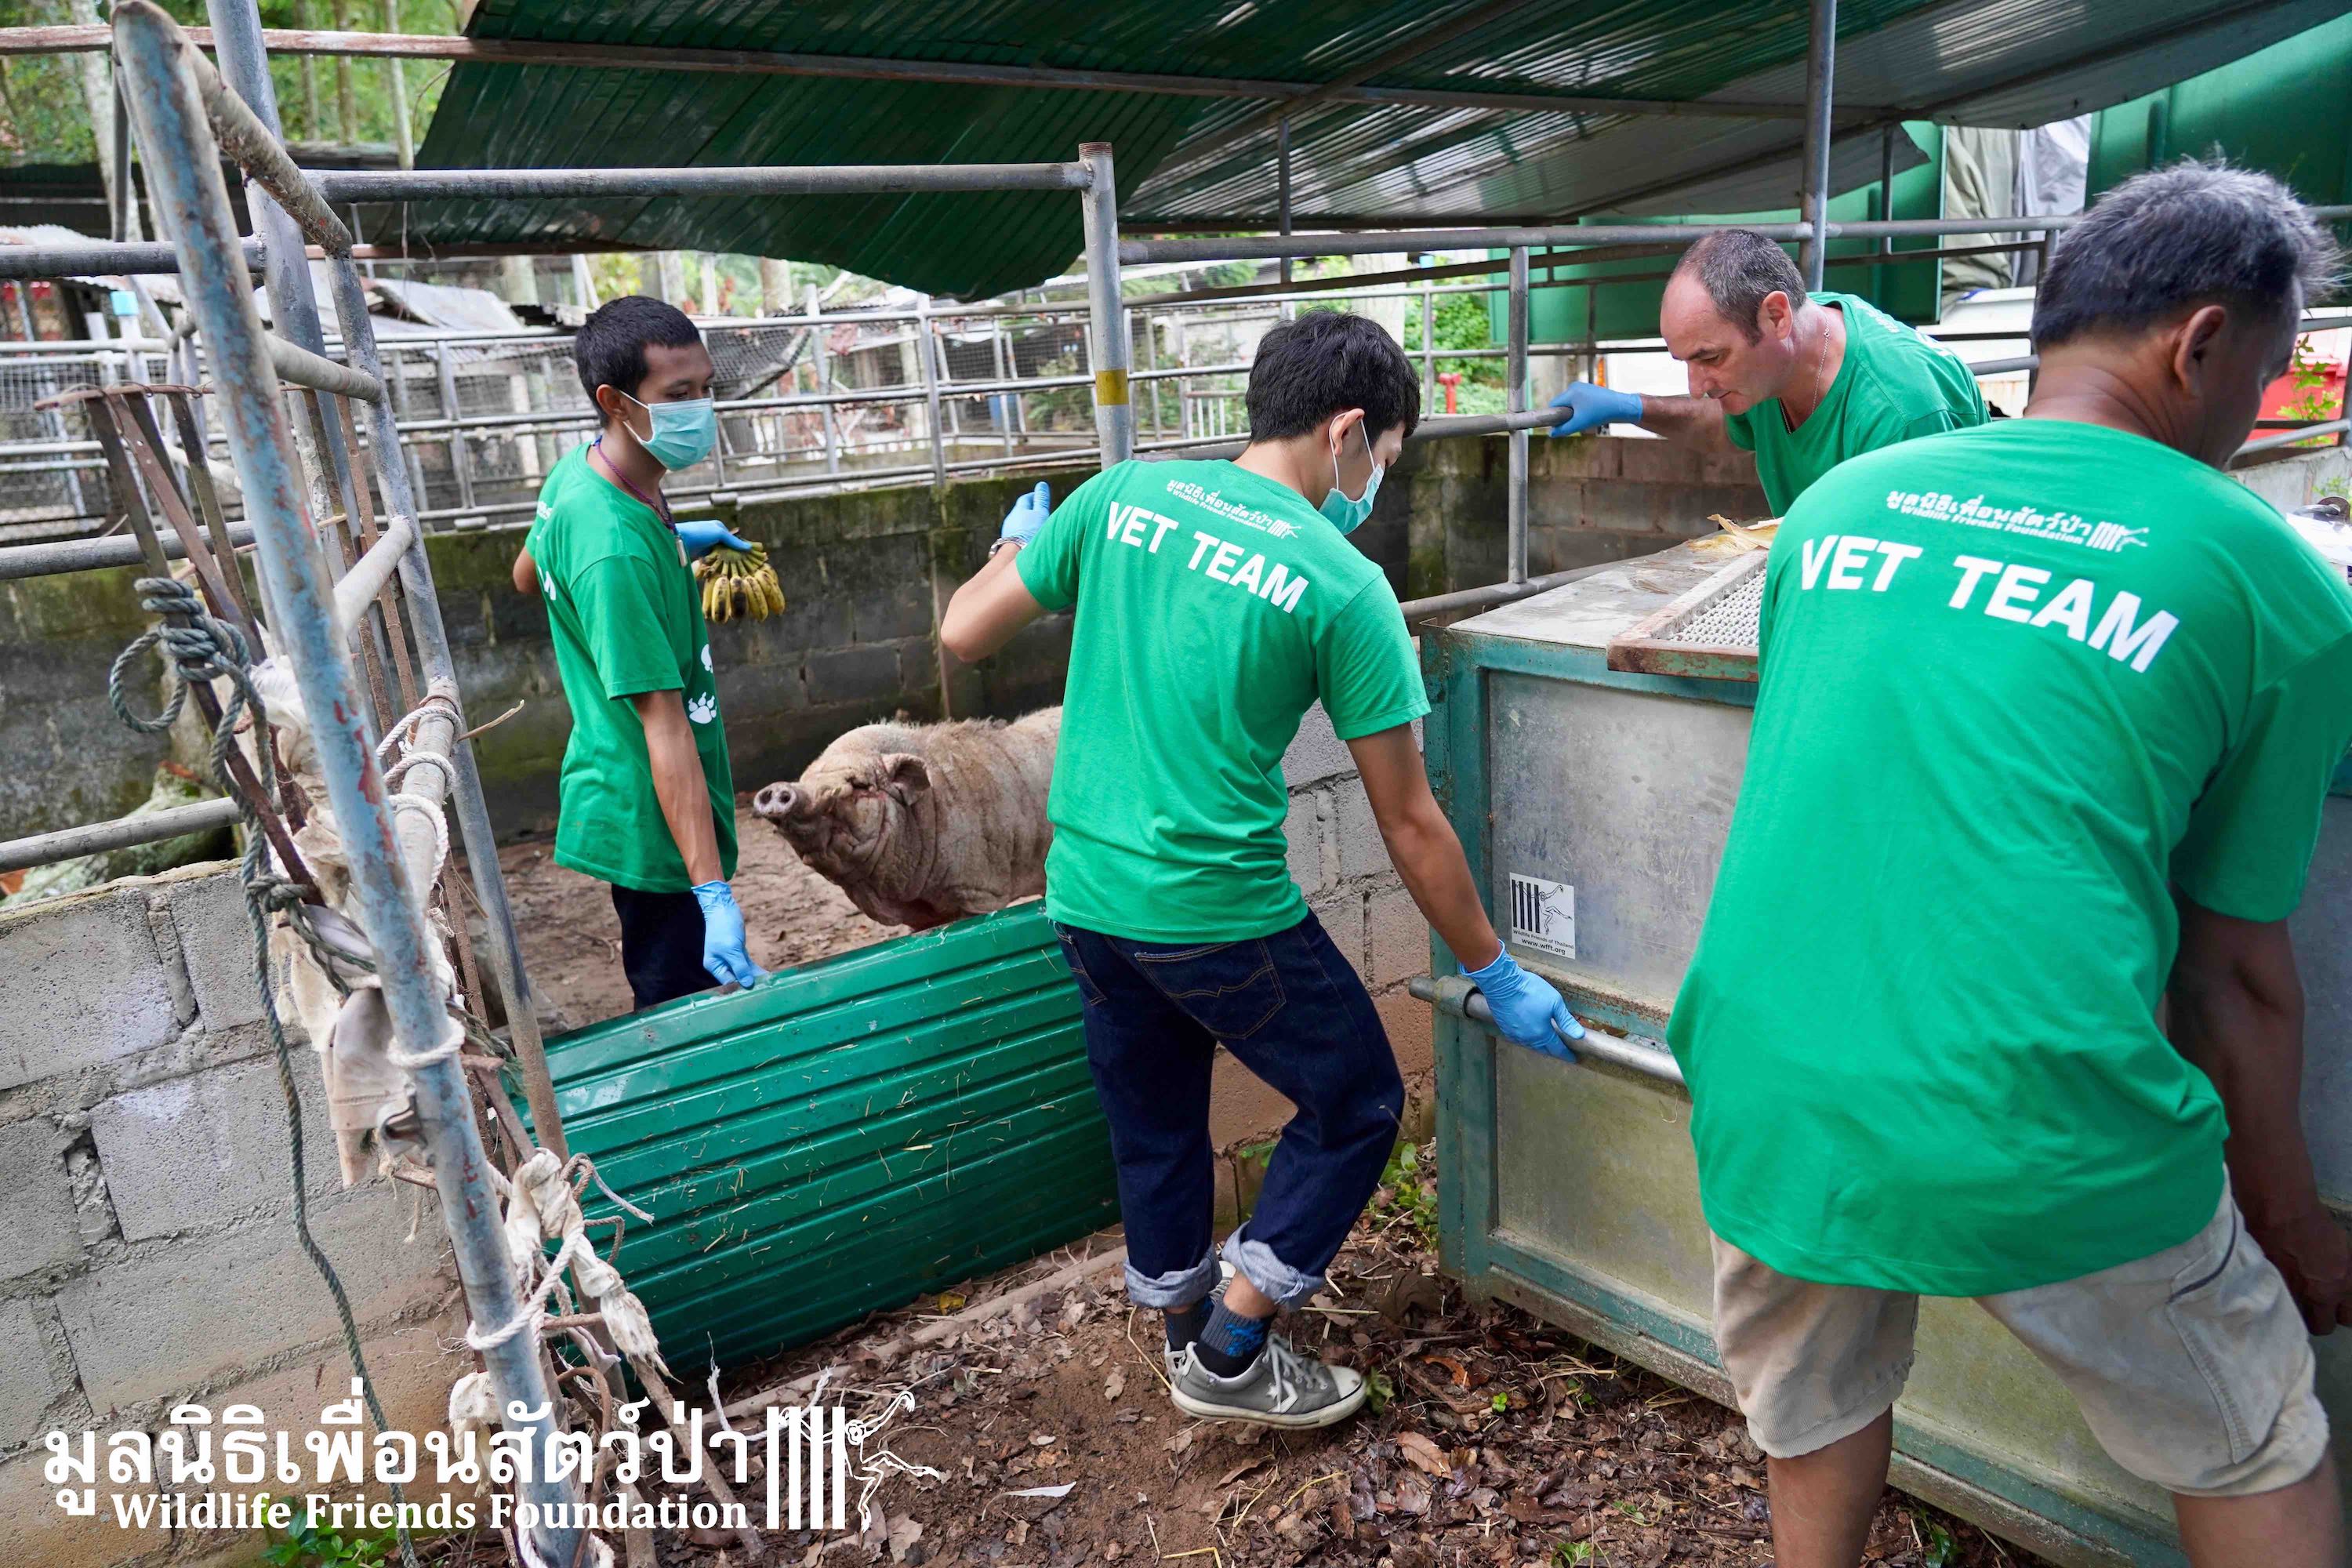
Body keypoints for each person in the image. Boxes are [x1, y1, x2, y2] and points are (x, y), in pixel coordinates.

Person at [1669, 163, 2352, 1567]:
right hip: (2040, 1099)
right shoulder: (2269, 576)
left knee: (1814, 1401)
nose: (2262, 402)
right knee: (2252, 1437)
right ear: (2202, 345)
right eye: (2270, 369)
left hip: (1768, 1081)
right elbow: (2229, 973)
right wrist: (2291, 1220)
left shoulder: (1839, 510)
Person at [938, 310, 1580, 1429]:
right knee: (1359, 1099)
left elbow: (963, 633)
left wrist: (1012, 549)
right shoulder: (1342, 584)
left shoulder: (1119, 496)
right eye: (1385, 458)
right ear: (1346, 430)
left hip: (1087, 897)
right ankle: (1232, 1350)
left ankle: (1183, 1330)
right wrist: (1494, 966)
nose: (1376, 484)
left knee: (1156, 1121)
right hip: (1217, 911)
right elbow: (1410, 820)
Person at [517, 295, 767, 1010]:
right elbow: (665, 726)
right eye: (677, 395)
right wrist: (711, 891)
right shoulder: (613, 549)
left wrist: (670, 540)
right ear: (615, 402)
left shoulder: (581, 472)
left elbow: (529, 573)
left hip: (632, 782)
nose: (700, 411)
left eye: (705, 389)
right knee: (680, 1014)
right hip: (654, 816)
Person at [1548, 229, 1989, 515]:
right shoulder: (1791, 339)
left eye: (1710, 358)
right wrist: (1631, 408)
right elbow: (1730, 427)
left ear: (1776, 316)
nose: (1696, 387)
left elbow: (1917, 570)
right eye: (1686, 362)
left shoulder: (1902, 413)